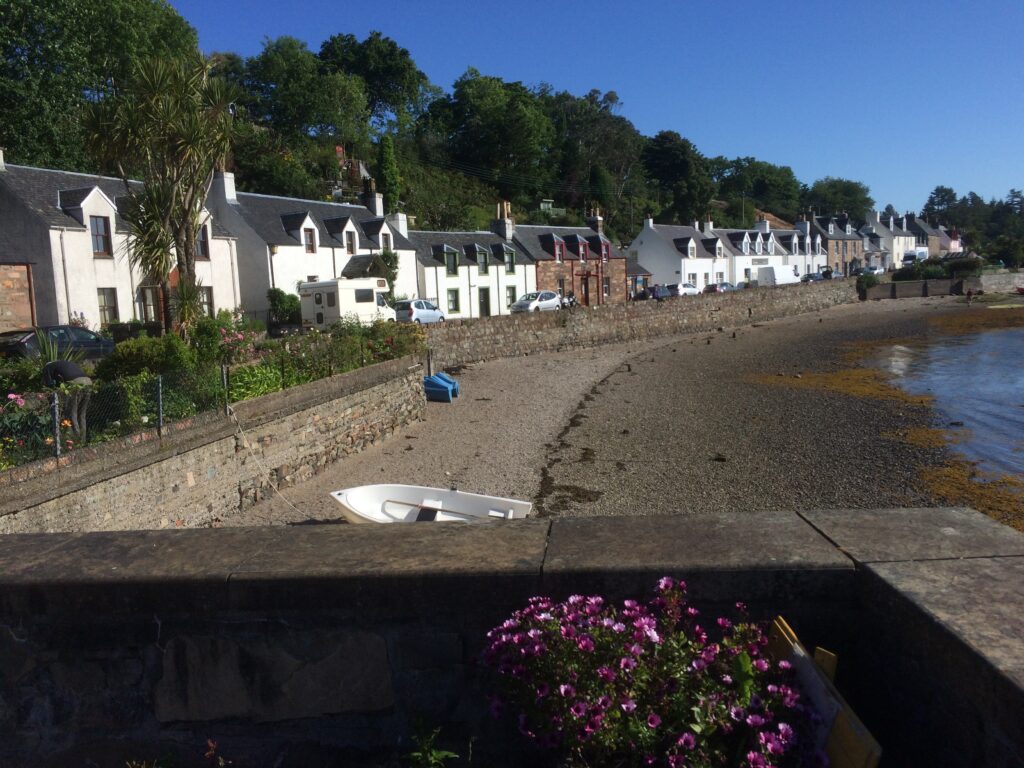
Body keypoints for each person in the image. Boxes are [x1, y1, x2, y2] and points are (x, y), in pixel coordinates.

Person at [42, 360, 92, 440]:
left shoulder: (47, 368)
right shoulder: (63, 363)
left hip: (75, 383)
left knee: (72, 414)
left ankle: (75, 441)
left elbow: (49, 386)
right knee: (81, 415)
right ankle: (83, 440)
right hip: (88, 382)